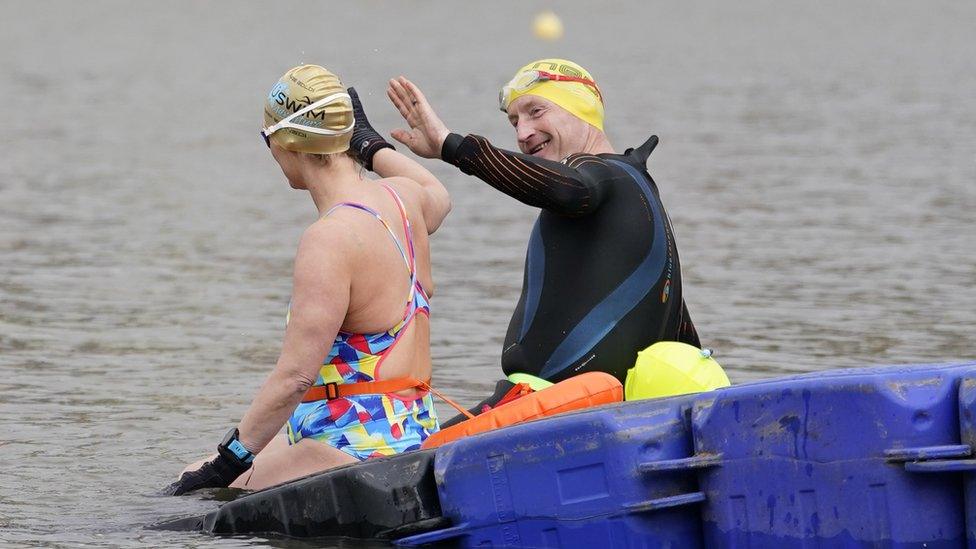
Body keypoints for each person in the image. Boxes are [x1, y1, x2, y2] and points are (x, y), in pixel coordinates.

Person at [165, 64, 451, 495]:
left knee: (188, 492)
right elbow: (440, 196)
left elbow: (296, 376)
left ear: (285, 143)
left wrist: (228, 464)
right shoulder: (403, 197)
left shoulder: (330, 238)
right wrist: (370, 144)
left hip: (352, 451)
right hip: (412, 434)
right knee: (203, 467)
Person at [379, 58, 701, 420]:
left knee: (412, 458)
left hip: (552, 411)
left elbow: (571, 189)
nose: (522, 133)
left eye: (536, 111)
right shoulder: (636, 189)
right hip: (585, 412)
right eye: (514, 121)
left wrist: (452, 147)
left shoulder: (603, 176)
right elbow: (674, 320)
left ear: (581, 107)